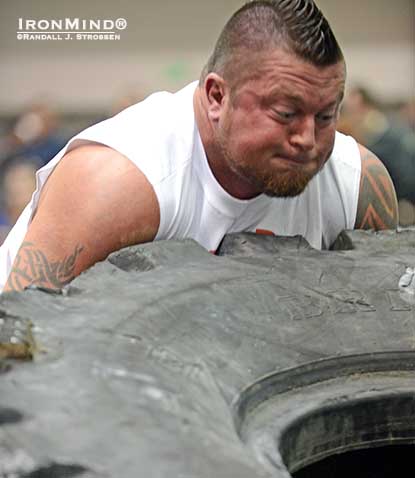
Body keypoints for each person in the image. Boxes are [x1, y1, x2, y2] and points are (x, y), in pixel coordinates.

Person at [0, 0, 398, 294]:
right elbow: (18, 359)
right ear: (216, 97)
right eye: (285, 114)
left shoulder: (356, 185)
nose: (307, 140)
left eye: (326, 116)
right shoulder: (120, 181)